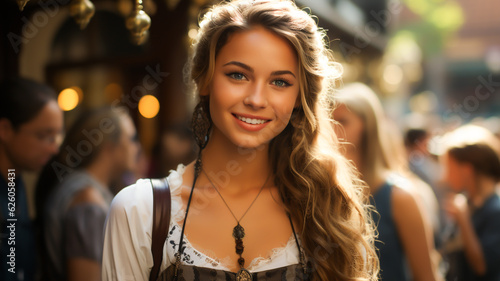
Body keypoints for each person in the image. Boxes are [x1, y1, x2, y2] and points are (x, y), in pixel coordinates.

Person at [102, 1, 379, 280]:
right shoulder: (140, 212)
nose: (256, 100)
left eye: (280, 82)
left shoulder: (328, 210)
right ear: (205, 80)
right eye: (238, 75)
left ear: (299, 98)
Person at [332, 82, 441, 281]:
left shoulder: (401, 196)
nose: (332, 128)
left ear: (367, 126)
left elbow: (426, 276)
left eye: (342, 121)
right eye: (327, 120)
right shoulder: (322, 190)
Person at [36, 106, 138, 281]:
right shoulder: (88, 202)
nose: (137, 147)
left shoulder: (83, 189)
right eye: (132, 139)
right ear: (109, 147)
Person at [0, 78, 63, 281]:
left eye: (56, 136)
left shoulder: (15, 182)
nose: (54, 148)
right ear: (5, 130)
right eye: (45, 136)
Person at [440, 125, 500, 281]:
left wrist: (463, 219)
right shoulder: (469, 203)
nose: (445, 177)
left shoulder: (495, 210)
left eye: (449, 168)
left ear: (466, 169)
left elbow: (482, 267)